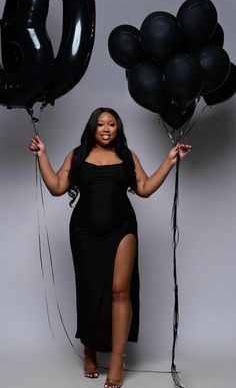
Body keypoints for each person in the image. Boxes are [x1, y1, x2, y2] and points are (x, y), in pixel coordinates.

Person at [29, 107, 191, 388]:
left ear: (118, 128)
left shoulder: (128, 157)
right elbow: (56, 187)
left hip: (122, 229)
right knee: (90, 291)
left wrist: (169, 161)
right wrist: (42, 155)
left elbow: (144, 187)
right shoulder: (76, 155)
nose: (106, 128)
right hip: (84, 232)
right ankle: (89, 349)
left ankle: (117, 358)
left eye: (112, 124)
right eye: (100, 123)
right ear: (92, 127)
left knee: (120, 291)